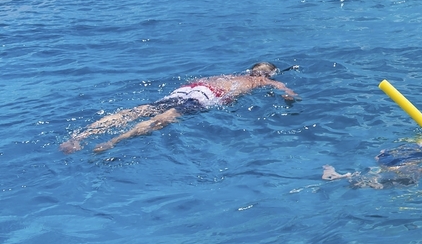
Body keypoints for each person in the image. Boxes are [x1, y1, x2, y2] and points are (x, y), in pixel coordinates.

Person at [61, 62, 297, 154]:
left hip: (193, 86)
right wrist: (289, 99)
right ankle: (113, 142)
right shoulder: (264, 80)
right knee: (165, 119)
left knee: (137, 111)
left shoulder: (229, 74)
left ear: (250, 70)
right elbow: (288, 93)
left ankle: (78, 137)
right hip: (210, 95)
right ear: (269, 73)